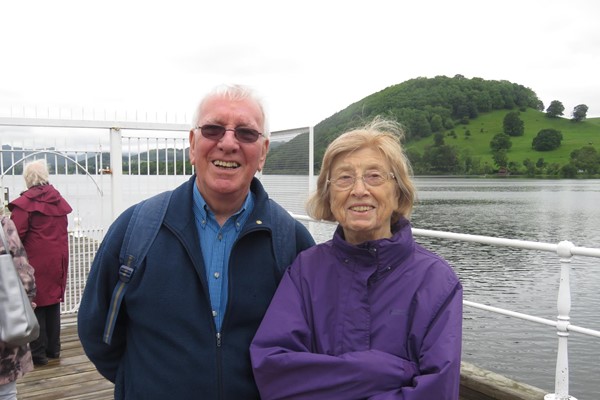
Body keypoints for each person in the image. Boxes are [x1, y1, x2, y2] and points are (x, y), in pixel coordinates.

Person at [77, 84, 315, 399]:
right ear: (192, 144)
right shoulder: (136, 229)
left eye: (246, 133)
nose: (228, 143)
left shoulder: (291, 242)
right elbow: (98, 334)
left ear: (263, 153)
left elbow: (308, 345)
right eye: (213, 129)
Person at [251, 117, 463, 400]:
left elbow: (436, 391)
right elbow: (273, 372)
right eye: (344, 178)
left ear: (398, 192)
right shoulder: (306, 270)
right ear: (329, 195)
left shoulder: (436, 281)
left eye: (374, 176)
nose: (359, 189)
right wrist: (382, 371)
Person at [8, 159, 72, 366]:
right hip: (58, 258)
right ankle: (54, 349)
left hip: (35, 260)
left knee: (35, 303)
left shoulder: (25, 205)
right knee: (52, 302)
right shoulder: (57, 200)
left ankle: (38, 354)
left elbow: (14, 236)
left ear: (27, 179)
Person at [0, 216, 36, 400]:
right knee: (6, 391)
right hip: (5, 321)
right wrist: (28, 301)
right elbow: (23, 270)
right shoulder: (3, 225)